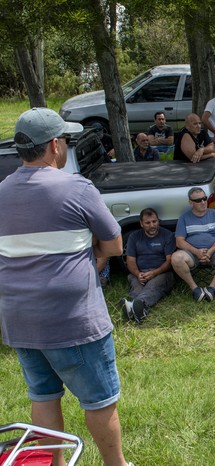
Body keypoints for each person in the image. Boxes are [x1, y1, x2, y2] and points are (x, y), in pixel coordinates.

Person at [0, 108, 129, 466]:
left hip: (19, 319)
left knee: (43, 396)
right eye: (66, 141)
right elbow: (114, 244)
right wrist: (92, 256)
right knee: (100, 399)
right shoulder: (76, 186)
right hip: (73, 319)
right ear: (55, 146)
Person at [171, 188, 215, 302]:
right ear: (190, 203)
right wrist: (196, 252)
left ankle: (212, 288)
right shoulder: (184, 218)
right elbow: (179, 241)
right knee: (176, 258)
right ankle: (195, 289)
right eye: (198, 200)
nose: (203, 202)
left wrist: (210, 252)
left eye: (204, 198)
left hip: (214, 252)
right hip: (192, 254)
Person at [121, 208, 176, 323]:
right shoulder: (134, 237)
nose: (152, 225)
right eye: (148, 223)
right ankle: (139, 310)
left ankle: (137, 305)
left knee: (153, 285)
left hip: (161, 273)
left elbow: (169, 261)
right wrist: (138, 274)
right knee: (137, 285)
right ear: (141, 224)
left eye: (154, 221)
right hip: (140, 273)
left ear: (158, 221)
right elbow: (130, 260)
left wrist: (154, 273)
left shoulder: (167, 235)